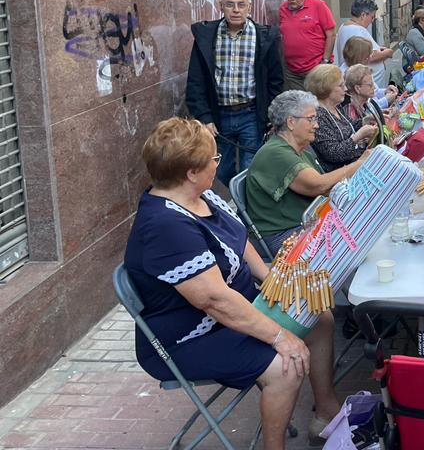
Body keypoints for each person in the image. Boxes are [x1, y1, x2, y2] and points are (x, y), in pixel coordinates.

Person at [124, 118, 341, 447]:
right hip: (186, 339)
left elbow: (238, 240)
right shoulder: (165, 225)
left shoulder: (201, 196)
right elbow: (214, 300)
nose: (217, 163)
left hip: (231, 314)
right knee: (285, 366)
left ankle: (325, 410)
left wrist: (271, 282)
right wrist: (280, 336)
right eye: (214, 159)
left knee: (318, 317)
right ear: (191, 172)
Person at [246, 91, 367, 255]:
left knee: (360, 225)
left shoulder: (298, 149)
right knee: (354, 240)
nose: (316, 125)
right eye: (311, 119)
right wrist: (360, 164)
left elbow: (326, 189)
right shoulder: (276, 153)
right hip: (284, 235)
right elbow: (319, 185)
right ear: (291, 122)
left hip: (303, 223)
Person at [186, 0, 283, 185]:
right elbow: (196, 81)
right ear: (221, 7)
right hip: (218, 117)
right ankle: (230, 208)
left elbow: (276, 81)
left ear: (250, 7)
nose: (236, 10)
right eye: (230, 5)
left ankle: (245, 214)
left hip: (251, 115)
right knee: (220, 171)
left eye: (241, 5)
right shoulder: (206, 37)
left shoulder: (265, 37)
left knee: (251, 170)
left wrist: (271, 116)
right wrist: (204, 117)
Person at [305, 64, 378, 172]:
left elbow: (348, 126)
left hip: (356, 162)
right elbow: (334, 154)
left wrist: (365, 121)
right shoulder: (318, 116)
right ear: (326, 89)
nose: (345, 89)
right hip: (343, 173)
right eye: (340, 85)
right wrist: (358, 136)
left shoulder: (336, 106)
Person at [278, 0, 337, 92]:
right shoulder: (283, 9)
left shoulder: (318, 5)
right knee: (297, 105)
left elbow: (331, 34)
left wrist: (325, 61)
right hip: (292, 71)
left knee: (316, 104)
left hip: (315, 68)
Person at [335, 0, 394, 90]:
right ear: (363, 15)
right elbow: (370, 56)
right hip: (365, 84)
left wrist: (379, 49)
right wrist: (388, 52)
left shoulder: (345, 26)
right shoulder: (357, 30)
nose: (373, 20)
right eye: (372, 16)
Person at [342, 65, 388, 146]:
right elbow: (361, 144)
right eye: (370, 85)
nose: (374, 87)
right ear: (357, 88)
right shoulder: (351, 112)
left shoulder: (367, 102)